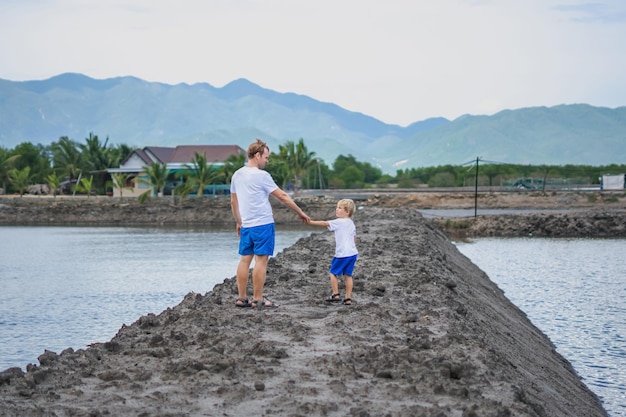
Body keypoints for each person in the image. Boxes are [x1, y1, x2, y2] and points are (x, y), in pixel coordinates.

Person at [230, 138, 311, 308]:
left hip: (246, 225)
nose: (267, 160)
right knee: (261, 261)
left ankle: (241, 298)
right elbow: (282, 196)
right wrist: (300, 212)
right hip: (263, 224)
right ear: (257, 155)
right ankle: (258, 299)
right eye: (266, 157)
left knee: (245, 260)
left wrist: (239, 222)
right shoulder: (262, 176)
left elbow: (233, 202)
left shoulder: (237, 175)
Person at [308, 198, 358, 305]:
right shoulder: (351, 223)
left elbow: (324, 223)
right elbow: (354, 238)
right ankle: (348, 298)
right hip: (352, 253)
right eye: (337, 207)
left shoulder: (339, 222)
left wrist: (310, 221)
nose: (337, 209)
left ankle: (335, 294)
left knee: (333, 273)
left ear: (347, 212)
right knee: (348, 275)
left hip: (342, 254)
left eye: (340, 208)